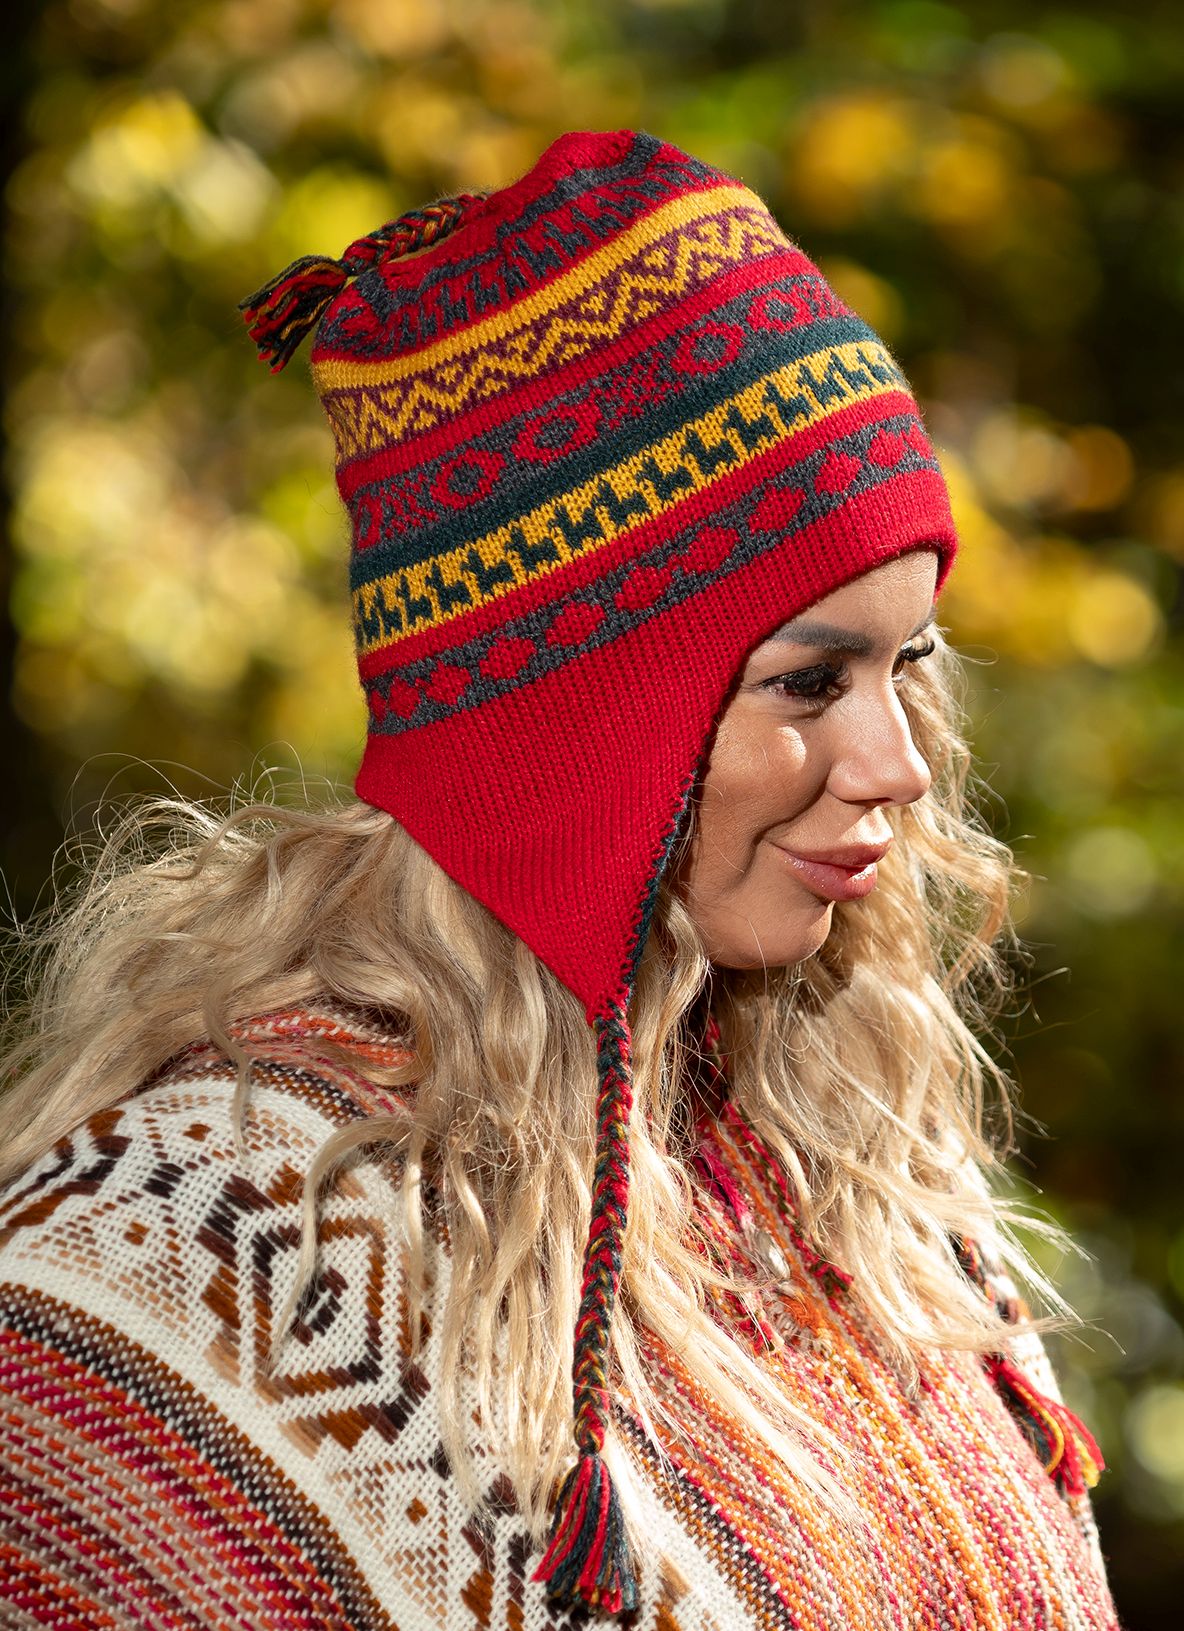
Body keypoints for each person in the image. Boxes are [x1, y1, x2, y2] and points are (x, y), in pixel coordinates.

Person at [0, 129, 1119, 1627]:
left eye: (905, 663)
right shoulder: (201, 1250)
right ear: (574, 726)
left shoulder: (845, 1179)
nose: (900, 763)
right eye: (808, 682)